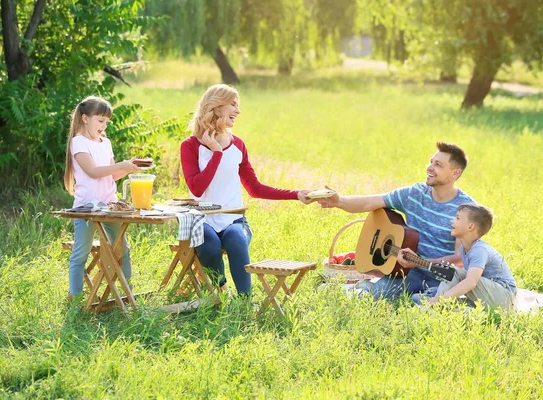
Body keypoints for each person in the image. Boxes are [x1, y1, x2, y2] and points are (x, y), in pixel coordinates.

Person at [180, 84, 313, 296]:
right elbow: (196, 189)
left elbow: (255, 188)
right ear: (216, 106)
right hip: (201, 220)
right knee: (209, 244)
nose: (238, 111)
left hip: (234, 219)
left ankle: (245, 301)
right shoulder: (190, 146)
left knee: (235, 238)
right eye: (233, 105)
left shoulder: (238, 145)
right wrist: (216, 153)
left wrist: (295, 194)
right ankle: (221, 289)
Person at [319, 142, 475, 301]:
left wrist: (422, 262)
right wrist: (339, 201)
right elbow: (369, 202)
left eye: (438, 165)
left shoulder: (467, 210)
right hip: (409, 272)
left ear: (455, 173)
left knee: (423, 305)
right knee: (375, 297)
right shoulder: (415, 193)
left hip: (444, 279)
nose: (429, 167)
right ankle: (368, 288)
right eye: (431, 162)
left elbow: (460, 258)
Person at [64, 96, 140, 298]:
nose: (104, 125)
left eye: (106, 122)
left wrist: (127, 167)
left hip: (109, 205)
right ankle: (76, 297)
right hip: (86, 207)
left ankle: (127, 295)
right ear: (85, 118)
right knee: (82, 251)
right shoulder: (78, 143)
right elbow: (93, 171)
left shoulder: (105, 142)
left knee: (122, 250)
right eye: (100, 121)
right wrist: (120, 165)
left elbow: (112, 175)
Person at [425, 204, 517, 310]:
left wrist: (440, 299)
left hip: (504, 297)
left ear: (470, 227)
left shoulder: (479, 250)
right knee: (454, 307)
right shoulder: (465, 249)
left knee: (453, 271)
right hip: (488, 296)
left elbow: (471, 282)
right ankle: (438, 307)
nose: (452, 221)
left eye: (457, 218)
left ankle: (433, 307)